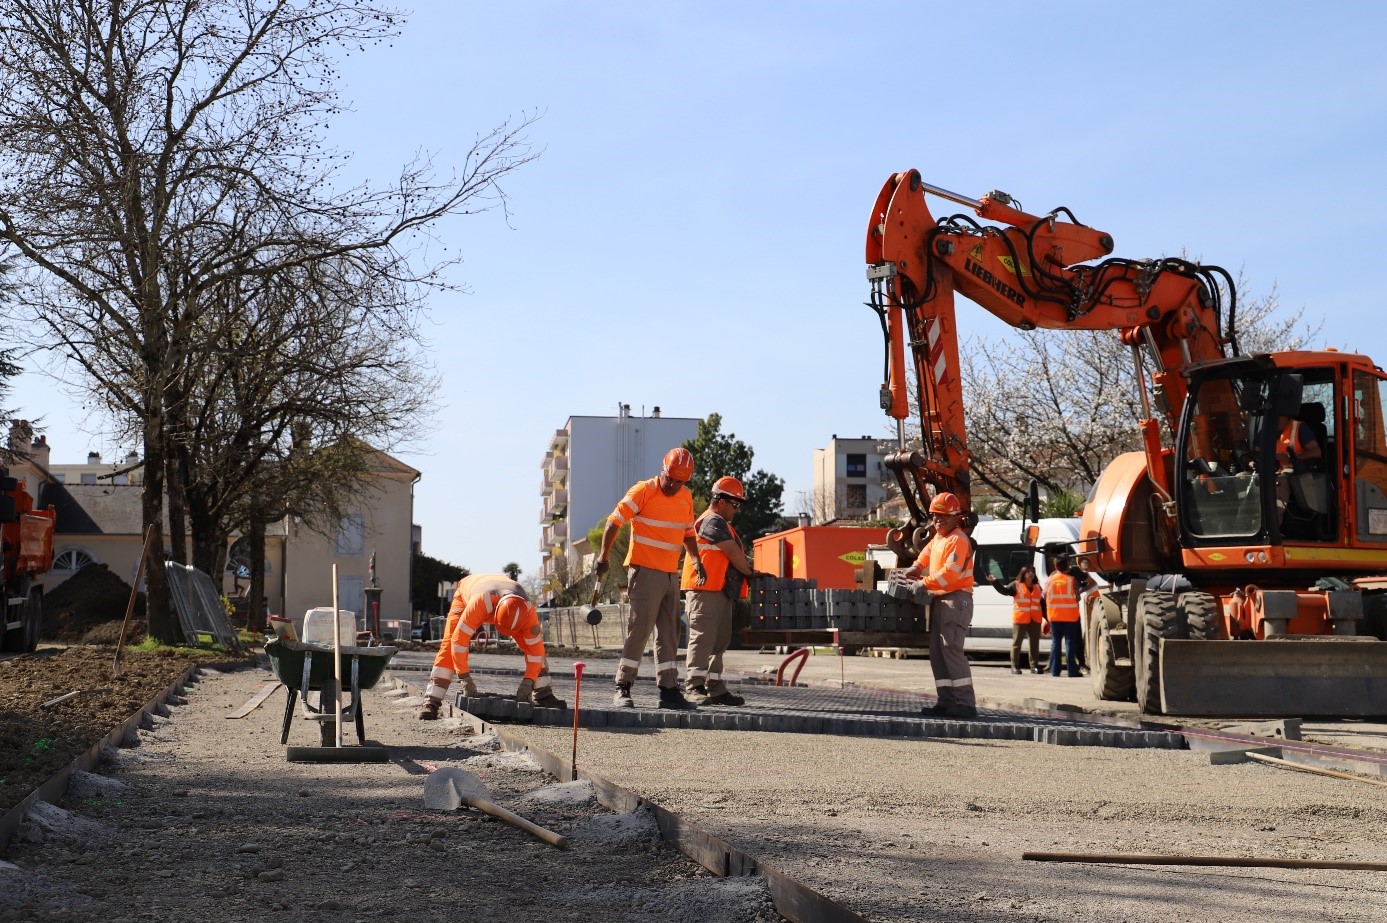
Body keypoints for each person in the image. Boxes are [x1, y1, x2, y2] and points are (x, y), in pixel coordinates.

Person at [596, 447, 702, 710]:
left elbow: (688, 533)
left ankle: (668, 690)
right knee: (640, 630)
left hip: (670, 575)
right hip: (644, 572)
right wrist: (603, 557)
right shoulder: (643, 490)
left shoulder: (685, 497)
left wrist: (697, 559)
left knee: (668, 634)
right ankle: (623, 687)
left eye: (681, 481)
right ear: (662, 469)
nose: (675, 485)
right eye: (672, 479)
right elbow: (614, 522)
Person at [418, 574, 564, 718]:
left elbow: (536, 652)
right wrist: (464, 677)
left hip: (503, 597)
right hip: (466, 593)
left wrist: (529, 681)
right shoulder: (480, 602)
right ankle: (431, 701)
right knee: (449, 646)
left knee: (534, 649)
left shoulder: (528, 612)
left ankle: (543, 694)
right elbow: (459, 641)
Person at [680, 476, 762, 706]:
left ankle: (714, 687)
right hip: (704, 590)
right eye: (735, 505)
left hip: (719, 590)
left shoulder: (722, 524)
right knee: (703, 639)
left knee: (719, 642)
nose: (737, 510)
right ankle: (693, 686)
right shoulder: (711, 522)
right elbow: (733, 552)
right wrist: (750, 572)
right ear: (721, 501)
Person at [899, 492, 977, 719]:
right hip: (943, 600)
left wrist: (923, 582)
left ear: (955, 517)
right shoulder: (940, 538)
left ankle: (965, 703)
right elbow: (926, 554)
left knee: (950, 650)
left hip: (955, 599)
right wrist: (915, 567)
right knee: (938, 651)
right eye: (934, 516)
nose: (937, 520)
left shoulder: (958, 540)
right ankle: (946, 701)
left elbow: (950, 575)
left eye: (942, 516)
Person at [1044, 553, 1096, 678]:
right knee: (1070, 642)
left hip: (1054, 615)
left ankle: (1055, 670)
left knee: (1055, 642)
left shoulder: (1050, 579)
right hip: (1070, 615)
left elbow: (1044, 595)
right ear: (1067, 565)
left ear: (1056, 566)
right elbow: (1077, 596)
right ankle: (1072, 670)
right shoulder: (1072, 580)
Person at [987, 565, 1045, 674]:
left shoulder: (1037, 586)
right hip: (1021, 618)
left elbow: (1042, 603)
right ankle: (1015, 666)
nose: (1031, 573)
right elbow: (1004, 591)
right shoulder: (1016, 585)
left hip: (1035, 618)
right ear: (1023, 573)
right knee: (1017, 643)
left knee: (1034, 643)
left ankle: (1034, 666)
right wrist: (995, 582)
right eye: (1028, 571)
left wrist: (1047, 618)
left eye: (1032, 571)